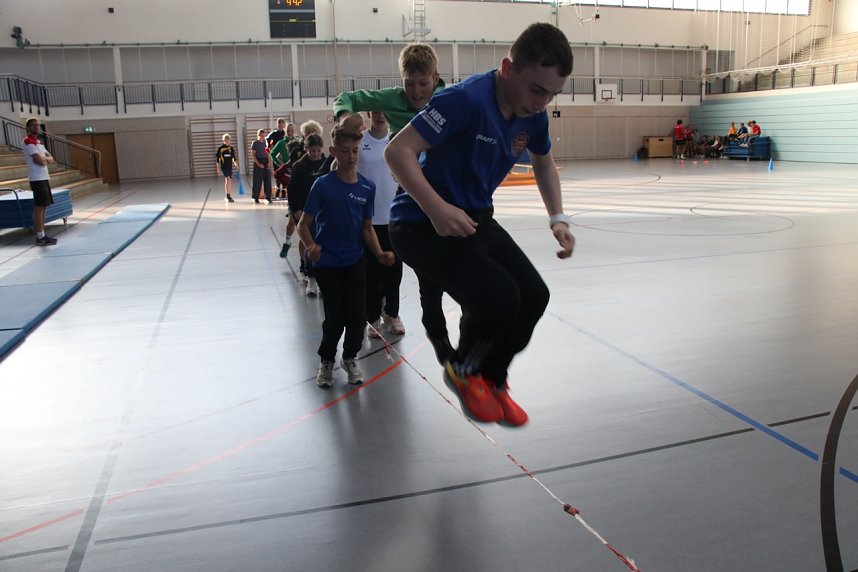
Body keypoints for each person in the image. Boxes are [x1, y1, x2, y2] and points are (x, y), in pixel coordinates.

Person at [384, 22, 575, 426]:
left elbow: (543, 163)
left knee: (534, 296)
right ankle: (464, 370)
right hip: (420, 222)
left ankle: (493, 378)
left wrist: (557, 218)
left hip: (473, 216)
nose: (542, 103)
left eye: (551, 95)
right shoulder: (465, 100)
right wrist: (436, 208)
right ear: (508, 68)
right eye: (536, 90)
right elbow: (398, 151)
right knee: (499, 298)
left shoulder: (533, 114)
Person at [334, 43, 452, 363]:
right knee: (407, 267)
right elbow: (348, 97)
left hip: (445, 190)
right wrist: (345, 117)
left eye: (423, 83)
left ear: (436, 79)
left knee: (444, 269)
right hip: (411, 193)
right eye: (409, 83)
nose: (416, 91)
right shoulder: (393, 99)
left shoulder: (449, 98)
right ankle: (397, 317)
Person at [297, 124, 395, 388]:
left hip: (355, 263)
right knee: (335, 319)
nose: (351, 156)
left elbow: (366, 228)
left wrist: (379, 252)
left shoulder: (367, 187)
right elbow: (303, 224)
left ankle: (349, 357)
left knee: (357, 319)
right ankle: (327, 360)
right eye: (344, 151)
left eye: (355, 151)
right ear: (333, 152)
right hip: (328, 265)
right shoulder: (322, 186)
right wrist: (310, 245)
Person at [359, 111, 406, 339]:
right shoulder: (360, 142)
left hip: (394, 217)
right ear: (370, 113)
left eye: (383, 112)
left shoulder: (398, 139)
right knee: (372, 272)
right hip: (369, 219)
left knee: (394, 271)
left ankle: (392, 313)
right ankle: (373, 317)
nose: (380, 117)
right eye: (375, 112)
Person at [286, 133, 327, 296]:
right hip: (306, 211)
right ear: (306, 149)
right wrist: (296, 209)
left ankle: (323, 278)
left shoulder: (326, 163)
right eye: (312, 151)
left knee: (324, 244)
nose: (316, 154)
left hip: (323, 211)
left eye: (318, 151)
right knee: (310, 244)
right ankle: (311, 278)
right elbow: (292, 190)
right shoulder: (299, 167)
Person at [280, 120, 324, 258]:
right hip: (300, 198)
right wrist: (296, 208)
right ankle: (288, 242)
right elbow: (293, 184)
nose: (315, 153)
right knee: (295, 225)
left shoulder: (323, 161)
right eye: (309, 135)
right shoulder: (296, 153)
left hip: (316, 203)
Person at [23, 118, 57, 245]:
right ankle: (40, 236)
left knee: (44, 206)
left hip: (44, 177)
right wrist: (44, 159)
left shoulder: (39, 142)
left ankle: (42, 233)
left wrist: (44, 159)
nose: (36, 127)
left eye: (37, 125)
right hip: (36, 178)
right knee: (39, 207)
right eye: (33, 125)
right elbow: (39, 161)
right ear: (28, 128)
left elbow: (51, 158)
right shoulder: (28, 141)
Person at [250, 129, 272, 204]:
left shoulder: (266, 142)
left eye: (263, 136)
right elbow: (253, 155)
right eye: (261, 135)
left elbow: (268, 153)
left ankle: (268, 197)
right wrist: (258, 164)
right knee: (257, 180)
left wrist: (269, 162)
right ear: (258, 135)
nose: (262, 137)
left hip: (265, 160)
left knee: (267, 180)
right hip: (258, 160)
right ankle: (255, 197)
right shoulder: (255, 143)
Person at [216, 133, 238, 203]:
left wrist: (235, 164)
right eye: (226, 140)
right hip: (224, 166)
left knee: (229, 180)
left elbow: (233, 158)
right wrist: (218, 168)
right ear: (223, 141)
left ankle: (228, 195)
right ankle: (227, 196)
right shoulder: (220, 149)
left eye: (229, 140)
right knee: (228, 179)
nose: (228, 142)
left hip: (229, 166)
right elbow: (218, 159)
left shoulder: (231, 148)